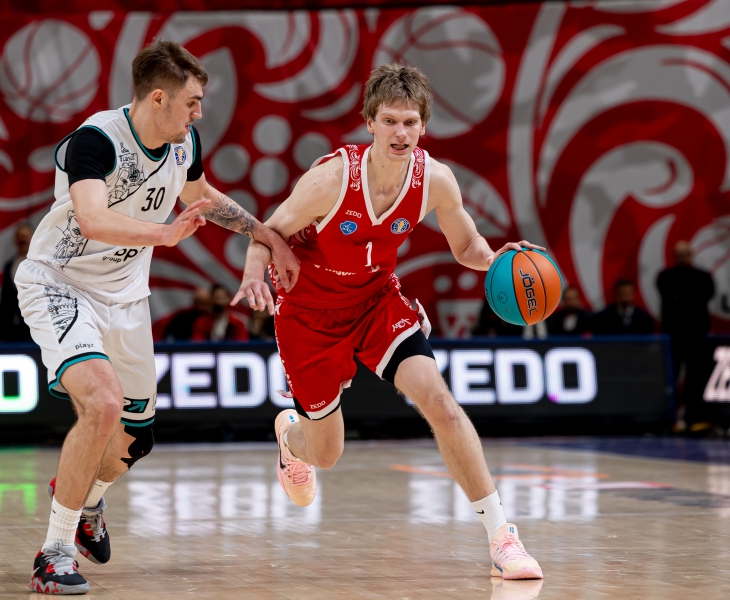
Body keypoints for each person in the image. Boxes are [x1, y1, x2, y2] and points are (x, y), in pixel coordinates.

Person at [233, 63, 543, 580]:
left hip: (377, 302)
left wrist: (496, 260)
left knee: (441, 404)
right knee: (327, 454)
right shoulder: (331, 179)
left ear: (423, 126)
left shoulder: (434, 179)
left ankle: (502, 536)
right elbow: (267, 232)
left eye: (411, 123)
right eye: (391, 122)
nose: (401, 133)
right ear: (370, 123)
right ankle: (290, 439)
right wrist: (252, 276)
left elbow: (466, 243)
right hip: (309, 316)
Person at [15, 41, 298, 594]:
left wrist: (265, 234)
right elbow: (92, 218)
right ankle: (53, 554)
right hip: (61, 283)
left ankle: (85, 498)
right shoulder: (96, 141)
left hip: (126, 298)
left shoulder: (183, 141)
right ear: (159, 98)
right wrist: (164, 235)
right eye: (192, 102)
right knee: (102, 404)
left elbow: (201, 195)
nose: (200, 113)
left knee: (135, 439)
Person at [657, 240, 715, 427]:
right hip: (673, 336)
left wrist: (682, 298)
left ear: (691, 255)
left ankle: (693, 416)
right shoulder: (665, 276)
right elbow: (670, 296)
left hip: (695, 335)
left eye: (685, 254)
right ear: (674, 257)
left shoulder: (703, 277)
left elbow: (704, 295)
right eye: (679, 255)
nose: (682, 258)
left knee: (695, 377)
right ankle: (669, 417)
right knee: (670, 375)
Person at [0, 224, 34, 342]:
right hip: (12, 329)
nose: (22, 239)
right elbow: (4, 299)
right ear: (15, 240)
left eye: (25, 236)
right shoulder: (9, 266)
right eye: (19, 236)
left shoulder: (41, 266)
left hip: (35, 326)